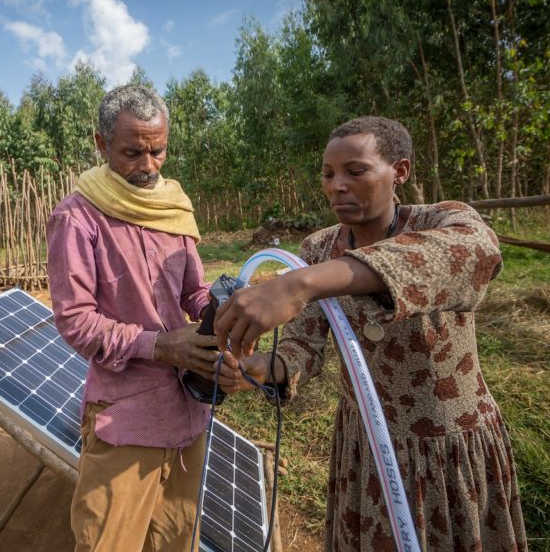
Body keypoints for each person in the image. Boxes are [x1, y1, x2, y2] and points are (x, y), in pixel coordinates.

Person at [215, 116, 527, 551]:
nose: (336, 186)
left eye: (355, 171)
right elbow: (303, 342)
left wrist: (302, 283)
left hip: (445, 445)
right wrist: (265, 368)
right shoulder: (318, 249)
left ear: (399, 171)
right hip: (366, 445)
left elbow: (476, 251)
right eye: (328, 174)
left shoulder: (441, 221)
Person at [46, 84, 218, 552]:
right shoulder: (77, 219)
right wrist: (161, 346)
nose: (147, 167)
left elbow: (194, 292)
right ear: (101, 144)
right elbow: (76, 322)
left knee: (176, 540)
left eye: (157, 151)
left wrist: (222, 314)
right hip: (127, 421)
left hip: (187, 413)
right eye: (132, 152)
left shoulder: (173, 208)